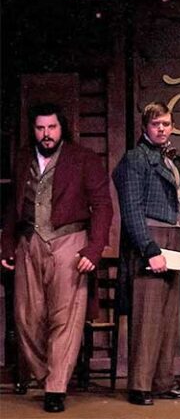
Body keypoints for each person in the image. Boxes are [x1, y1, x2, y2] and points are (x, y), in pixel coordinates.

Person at [1, 103, 113, 413]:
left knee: (66, 318)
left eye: (51, 127)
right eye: (40, 128)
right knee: (27, 317)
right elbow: (13, 205)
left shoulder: (83, 159)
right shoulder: (24, 157)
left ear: (61, 128)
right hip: (29, 242)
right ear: (34, 130)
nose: (46, 134)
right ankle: (47, 374)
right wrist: (6, 243)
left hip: (69, 241)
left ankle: (56, 388)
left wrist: (94, 250)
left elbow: (103, 206)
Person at [113, 101, 180, 406]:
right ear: (145, 127)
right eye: (156, 124)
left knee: (168, 318)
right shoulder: (135, 159)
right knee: (147, 318)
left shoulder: (169, 160)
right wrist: (149, 250)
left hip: (172, 239)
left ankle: (162, 381)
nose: (162, 129)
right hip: (151, 240)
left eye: (166, 124)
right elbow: (131, 211)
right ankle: (140, 385)